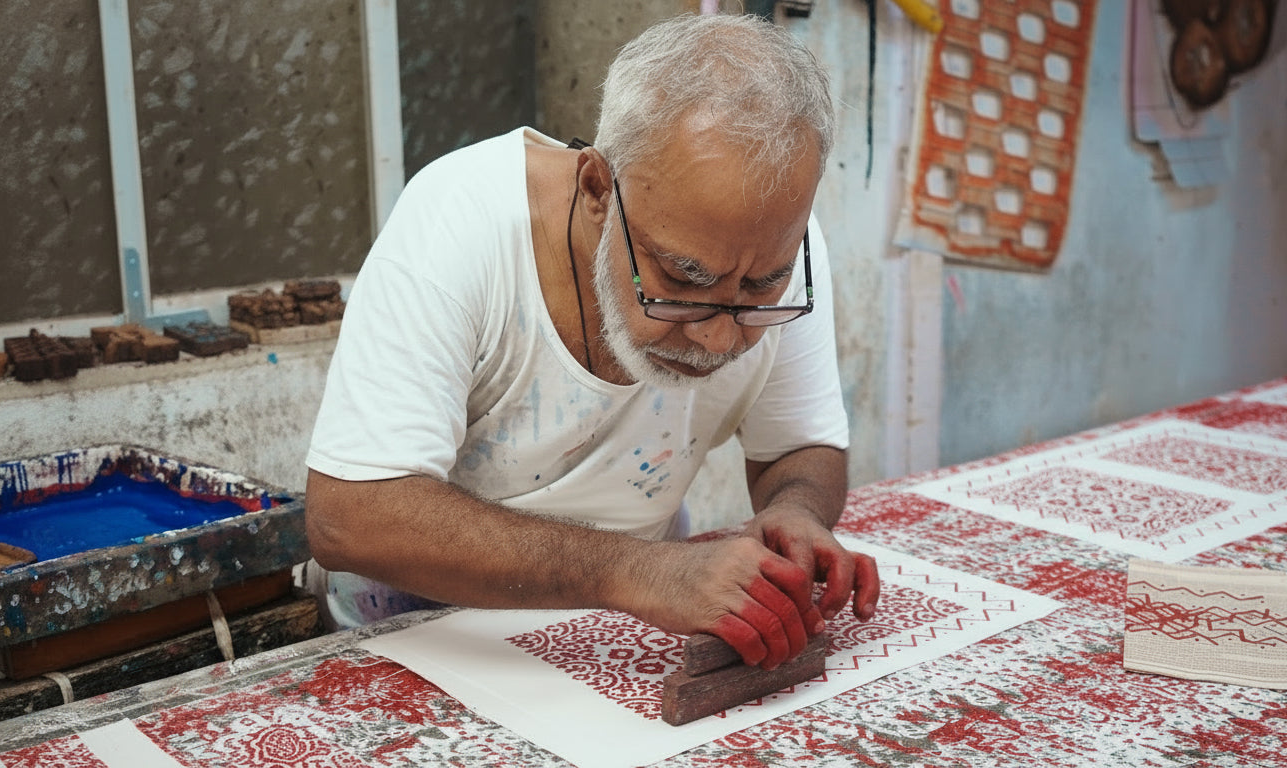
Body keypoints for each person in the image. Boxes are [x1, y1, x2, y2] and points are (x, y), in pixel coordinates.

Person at [304, 12, 879, 671]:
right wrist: (642, 573)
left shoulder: (778, 251)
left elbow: (800, 446)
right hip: (416, 631)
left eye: (761, 288)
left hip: (626, 624)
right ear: (597, 189)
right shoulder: (459, 222)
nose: (720, 338)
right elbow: (350, 518)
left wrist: (797, 510)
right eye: (682, 280)